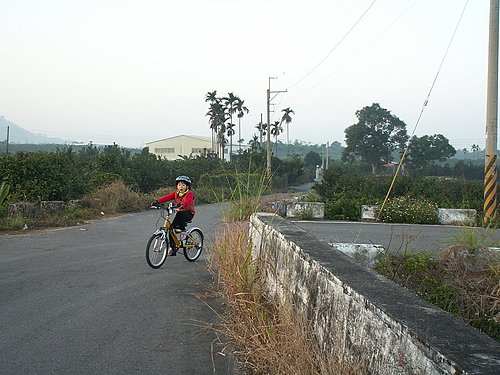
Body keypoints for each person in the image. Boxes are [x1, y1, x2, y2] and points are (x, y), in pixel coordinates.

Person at [151, 175, 195, 255]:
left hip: (188, 213)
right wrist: (157, 201)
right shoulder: (176, 193)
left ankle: (184, 231)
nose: (181, 187)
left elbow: (188, 201)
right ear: (177, 186)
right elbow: (167, 197)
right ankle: (173, 248)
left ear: (187, 186)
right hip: (179, 213)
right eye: (179, 185)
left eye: (183, 185)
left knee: (180, 213)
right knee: (171, 229)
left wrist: (182, 205)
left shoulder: (190, 193)